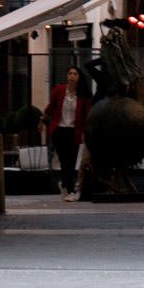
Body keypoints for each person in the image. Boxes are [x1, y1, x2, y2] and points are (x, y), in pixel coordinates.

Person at [42, 64, 88, 201]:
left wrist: (87, 131)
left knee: (71, 160)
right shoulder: (59, 90)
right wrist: (42, 119)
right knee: (64, 160)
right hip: (59, 130)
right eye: (70, 74)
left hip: (74, 131)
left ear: (79, 77)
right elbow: (51, 107)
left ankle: (65, 185)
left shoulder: (83, 95)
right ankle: (69, 189)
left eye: (75, 74)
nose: (72, 76)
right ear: (67, 77)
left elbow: (87, 114)